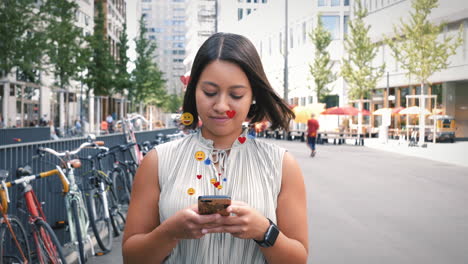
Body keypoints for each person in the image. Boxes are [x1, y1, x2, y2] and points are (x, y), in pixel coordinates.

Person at [123, 33, 308, 263]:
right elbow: (131, 257)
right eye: (210, 92)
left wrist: (264, 231)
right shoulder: (157, 161)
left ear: (252, 96)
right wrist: (170, 232)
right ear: (193, 91)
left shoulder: (281, 164)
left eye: (236, 95)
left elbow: (298, 258)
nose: (221, 106)